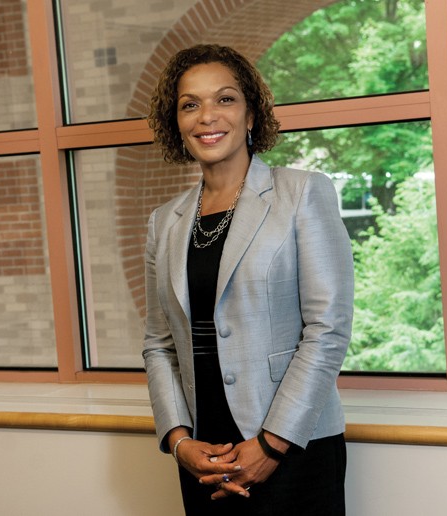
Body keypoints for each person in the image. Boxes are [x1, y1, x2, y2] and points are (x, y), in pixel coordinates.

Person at [143, 44, 354, 516]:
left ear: (252, 114)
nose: (207, 117)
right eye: (190, 105)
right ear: (176, 123)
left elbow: (328, 329)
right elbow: (159, 344)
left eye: (225, 99)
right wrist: (179, 441)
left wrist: (271, 444)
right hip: (204, 456)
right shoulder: (164, 222)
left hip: (292, 447)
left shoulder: (301, 193)